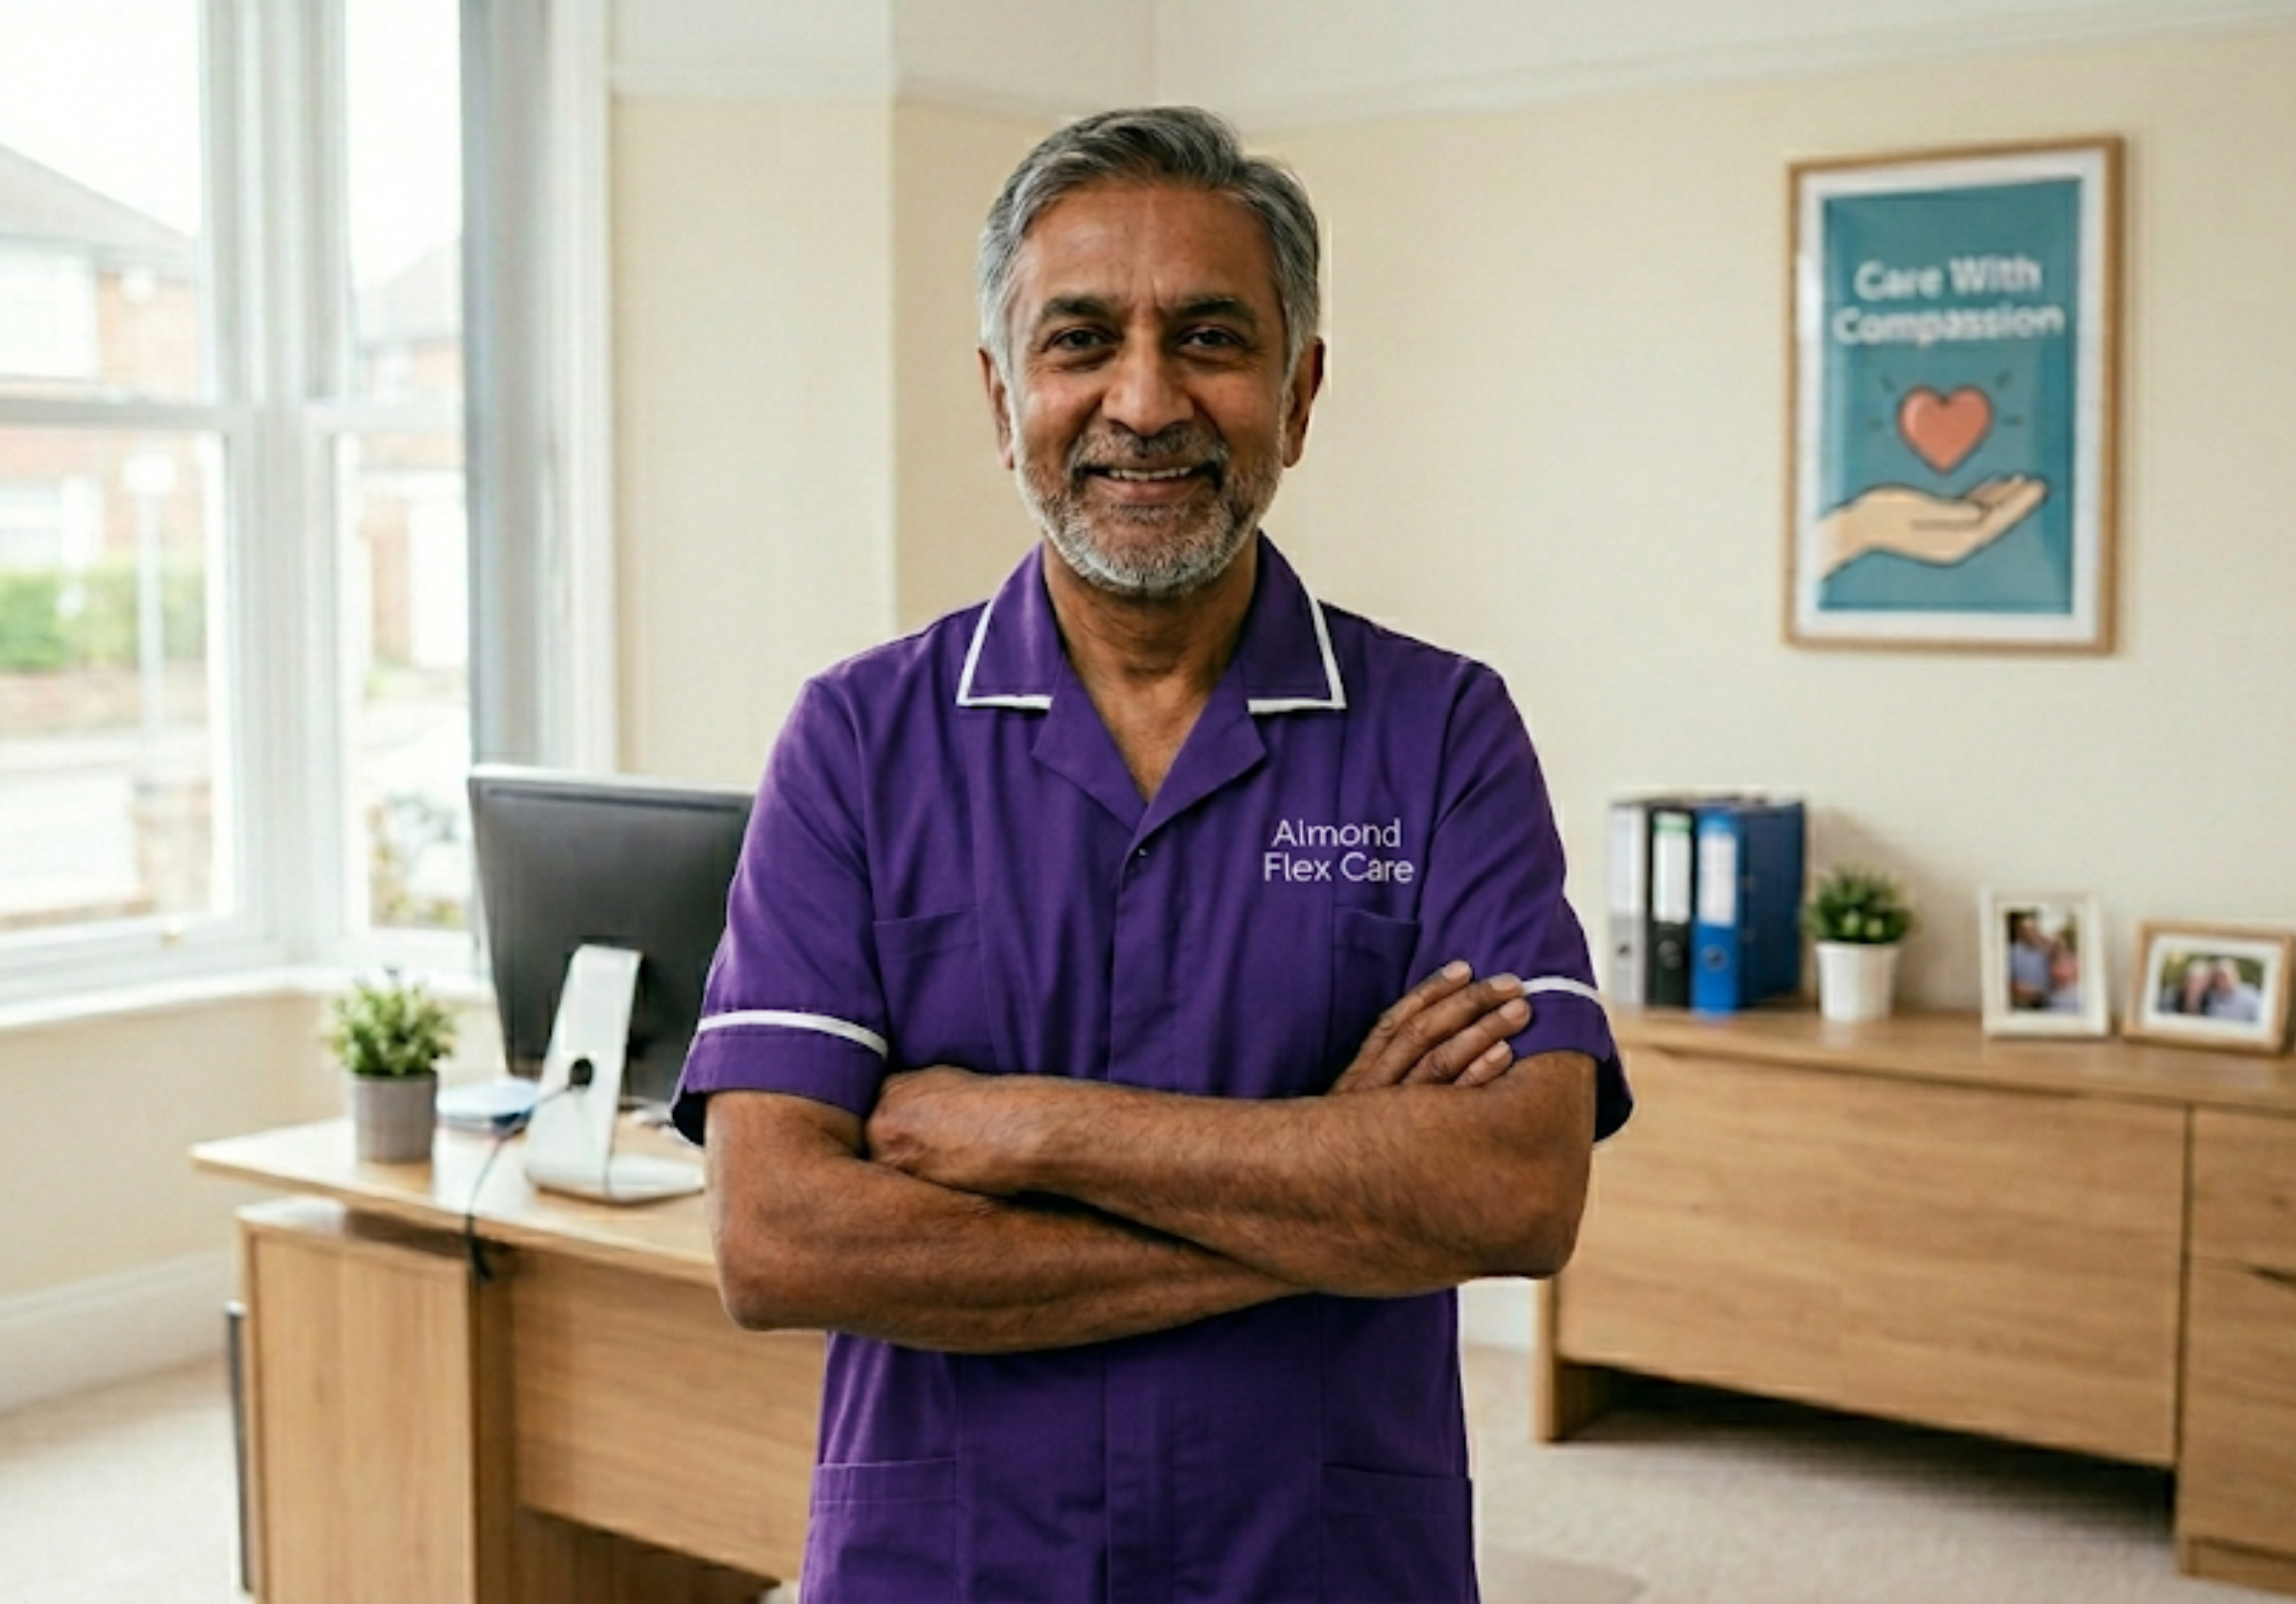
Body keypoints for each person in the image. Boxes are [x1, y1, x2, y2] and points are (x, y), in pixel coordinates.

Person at [671, 106, 1631, 1602]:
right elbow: (778, 1238)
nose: (1143, 398)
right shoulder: (858, 738)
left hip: (1315, 1559)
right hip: (953, 1559)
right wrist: (1336, 1193)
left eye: (1208, 337)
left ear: (1298, 395)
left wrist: (1040, 1133)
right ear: (1004, 398)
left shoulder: (1443, 731)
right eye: (1079, 341)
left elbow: (1516, 1192)